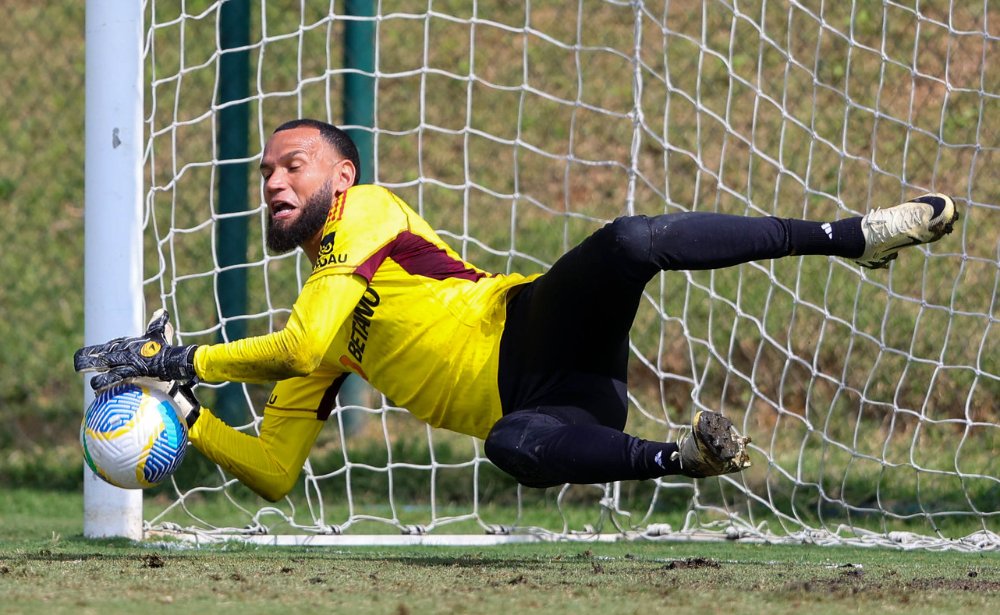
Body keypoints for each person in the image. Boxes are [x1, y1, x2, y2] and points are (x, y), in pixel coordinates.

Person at [74, 119, 959, 501]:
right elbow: (273, 467)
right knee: (509, 448)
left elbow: (302, 338)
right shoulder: (321, 319)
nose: (273, 180)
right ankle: (681, 456)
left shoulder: (368, 212)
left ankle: (853, 235)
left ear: (339, 176)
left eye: (292, 164)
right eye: (264, 171)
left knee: (627, 243)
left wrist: (186, 362)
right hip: (549, 411)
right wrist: (187, 418)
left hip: (533, 324)